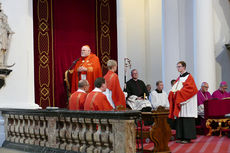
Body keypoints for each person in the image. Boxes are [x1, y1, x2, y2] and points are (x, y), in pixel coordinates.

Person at [168, 61, 198, 144]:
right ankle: (181, 137)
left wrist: (179, 93)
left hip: (187, 101)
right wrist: (172, 92)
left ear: (184, 67)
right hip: (181, 101)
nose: (178, 68)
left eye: (179, 66)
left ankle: (187, 138)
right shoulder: (179, 77)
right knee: (181, 118)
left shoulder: (189, 76)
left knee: (186, 118)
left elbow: (191, 89)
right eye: (177, 66)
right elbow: (176, 87)